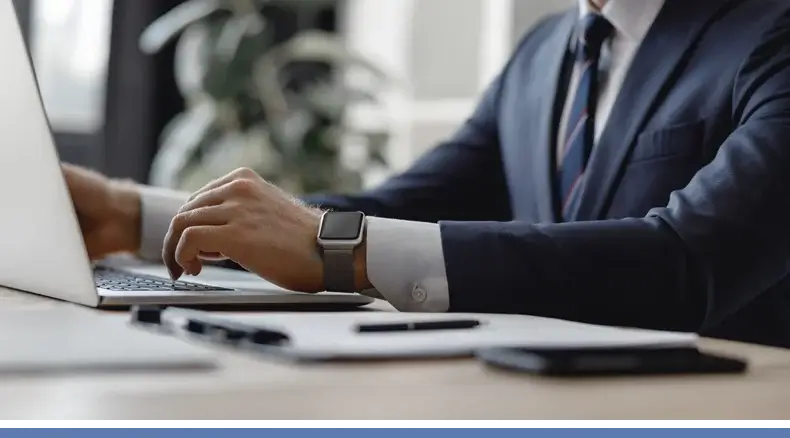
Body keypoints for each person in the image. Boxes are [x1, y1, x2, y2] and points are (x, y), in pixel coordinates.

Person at [64, 0, 790, 348]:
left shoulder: (770, 33)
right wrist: (133, 217)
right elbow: (399, 207)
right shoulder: (545, 54)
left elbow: (687, 262)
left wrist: (336, 250)